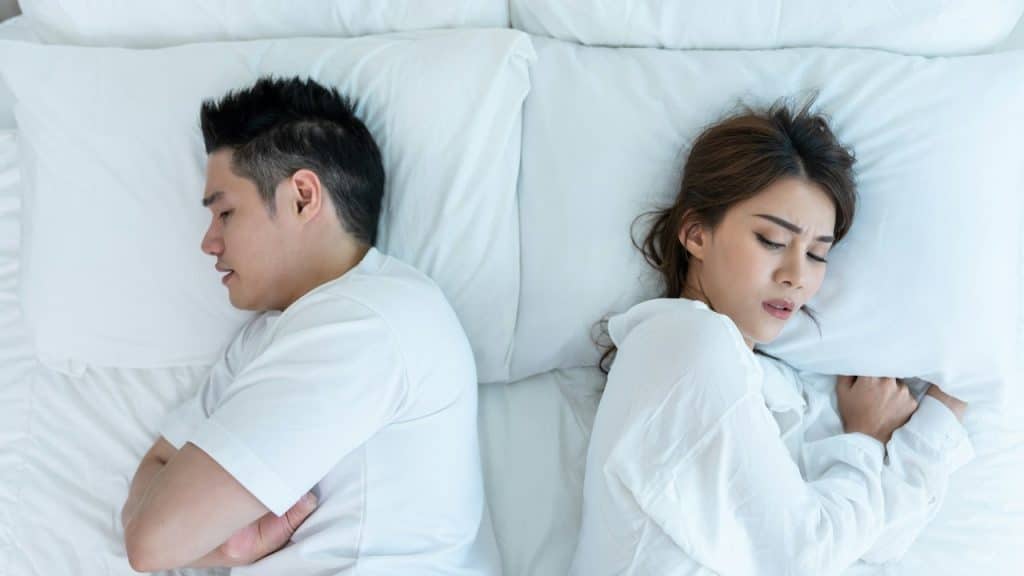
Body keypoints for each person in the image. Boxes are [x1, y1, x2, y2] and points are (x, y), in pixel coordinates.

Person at [571, 99, 973, 576]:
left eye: (818, 255)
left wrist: (933, 425)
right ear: (696, 233)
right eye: (772, 241)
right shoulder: (684, 345)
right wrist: (863, 441)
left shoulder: (775, 386)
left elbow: (874, 541)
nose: (796, 276)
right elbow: (804, 555)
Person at [120, 76, 499, 575]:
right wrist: (228, 549)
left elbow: (153, 540)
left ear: (302, 196)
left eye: (226, 212)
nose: (208, 243)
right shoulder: (266, 337)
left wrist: (206, 544)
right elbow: (147, 500)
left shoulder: (366, 322)